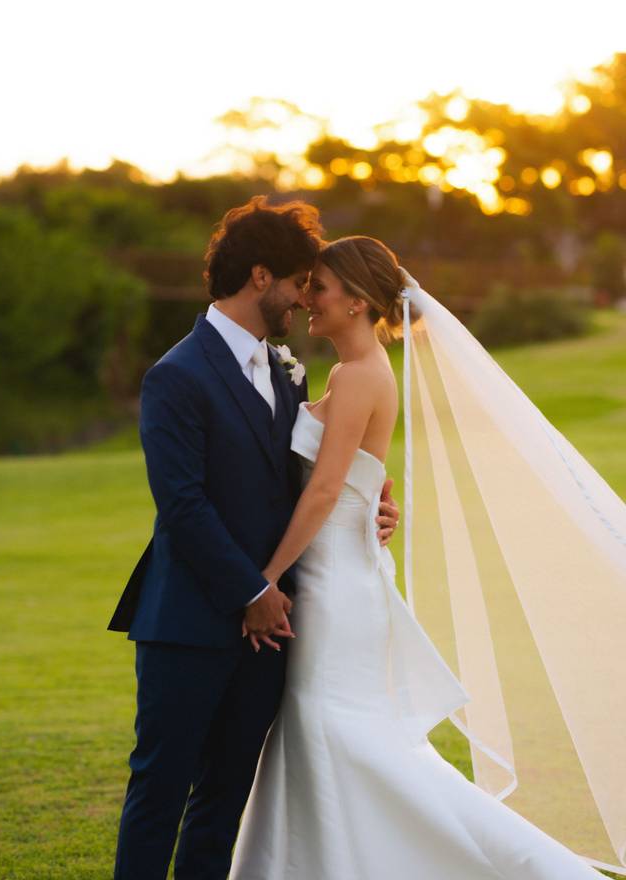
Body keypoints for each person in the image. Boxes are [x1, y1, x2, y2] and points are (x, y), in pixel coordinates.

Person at [230, 235, 612, 879]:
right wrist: (378, 502)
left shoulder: (360, 375)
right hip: (336, 573)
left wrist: (262, 580)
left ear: (356, 301)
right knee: (326, 731)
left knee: (332, 728)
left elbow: (324, 490)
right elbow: (356, 479)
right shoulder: (350, 372)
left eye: (319, 287)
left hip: (335, 587)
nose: (307, 298)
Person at [107, 199, 399, 880]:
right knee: (160, 790)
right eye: (299, 282)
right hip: (189, 620)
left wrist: (371, 508)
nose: (304, 298)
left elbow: (310, 480)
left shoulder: (288, 370)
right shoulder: (176, 375)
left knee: (225, 797)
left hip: (274, 630)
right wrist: (252, 590)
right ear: (261, 276)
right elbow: (182, 505)